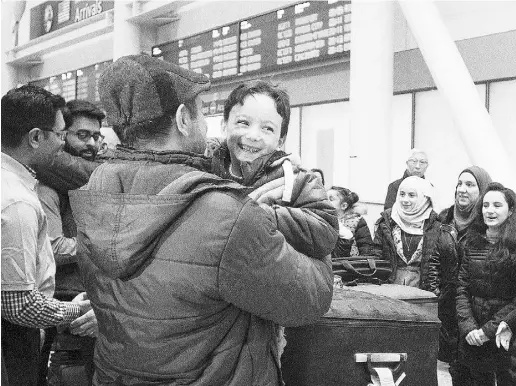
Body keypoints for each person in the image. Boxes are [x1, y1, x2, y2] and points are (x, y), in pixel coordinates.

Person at [68, 54, 334, 385]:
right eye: (201, 113)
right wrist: (308, 230)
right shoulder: (225, 214)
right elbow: (311, 299)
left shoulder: (96, 192)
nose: (206, 127)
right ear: (182, 119)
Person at [1, 85, 92, 386]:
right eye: (60, 134)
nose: (62, 144)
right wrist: (76, 309)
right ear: (36, 137)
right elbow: (20, 305)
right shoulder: (17, 202)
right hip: (11, 339)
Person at [211, 80, 338, 261]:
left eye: (267, 128)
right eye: (243, 122)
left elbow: (325, 231)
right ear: (224, 126)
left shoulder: (300, 181)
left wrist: (260, 216)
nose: (254, 136)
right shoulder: (204, 172)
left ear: (280, 139)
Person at [36, 100, 105, 386]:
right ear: (63, 135)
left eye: (96, 135)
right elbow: (53, 247)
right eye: (82, 135)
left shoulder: (97, 175)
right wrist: (100, 244)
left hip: (93, 298)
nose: (91, 143)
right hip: (64, 301)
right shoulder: (48, 187)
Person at [430, 166, 492, 381]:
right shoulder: (442, 220)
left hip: (476, 308)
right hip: (447, 305)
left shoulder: (488, 225)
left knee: (477, 370)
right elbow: (432, 262)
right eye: (459, 184)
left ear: (482, 189)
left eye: (470, 184)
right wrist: (434, 295)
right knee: (453, 368)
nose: (462, 189)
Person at [455, 182, 516, 386]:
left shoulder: (513, 248)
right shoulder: (471, 242)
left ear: (510, 210)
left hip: (505, 335)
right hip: (472, 335)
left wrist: (487, 331)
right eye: (486, 205)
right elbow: (462, 289)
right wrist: (469, 327)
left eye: (497, 205)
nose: (490, 210)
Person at [372, 176, 440, 292]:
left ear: (424, 197)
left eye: (412, 195)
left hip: (423, 291)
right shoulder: (388, 221)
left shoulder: (435, 225)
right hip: (389, 288)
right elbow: (376, 256)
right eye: (402, 194)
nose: (405, 200)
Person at [328, 186, 373, 258]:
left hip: (351, 264)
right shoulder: (322, 220)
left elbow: (366, 248)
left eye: (331, 199)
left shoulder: (357, 221)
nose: (325, 202)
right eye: (324, 198)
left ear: (344, 205)